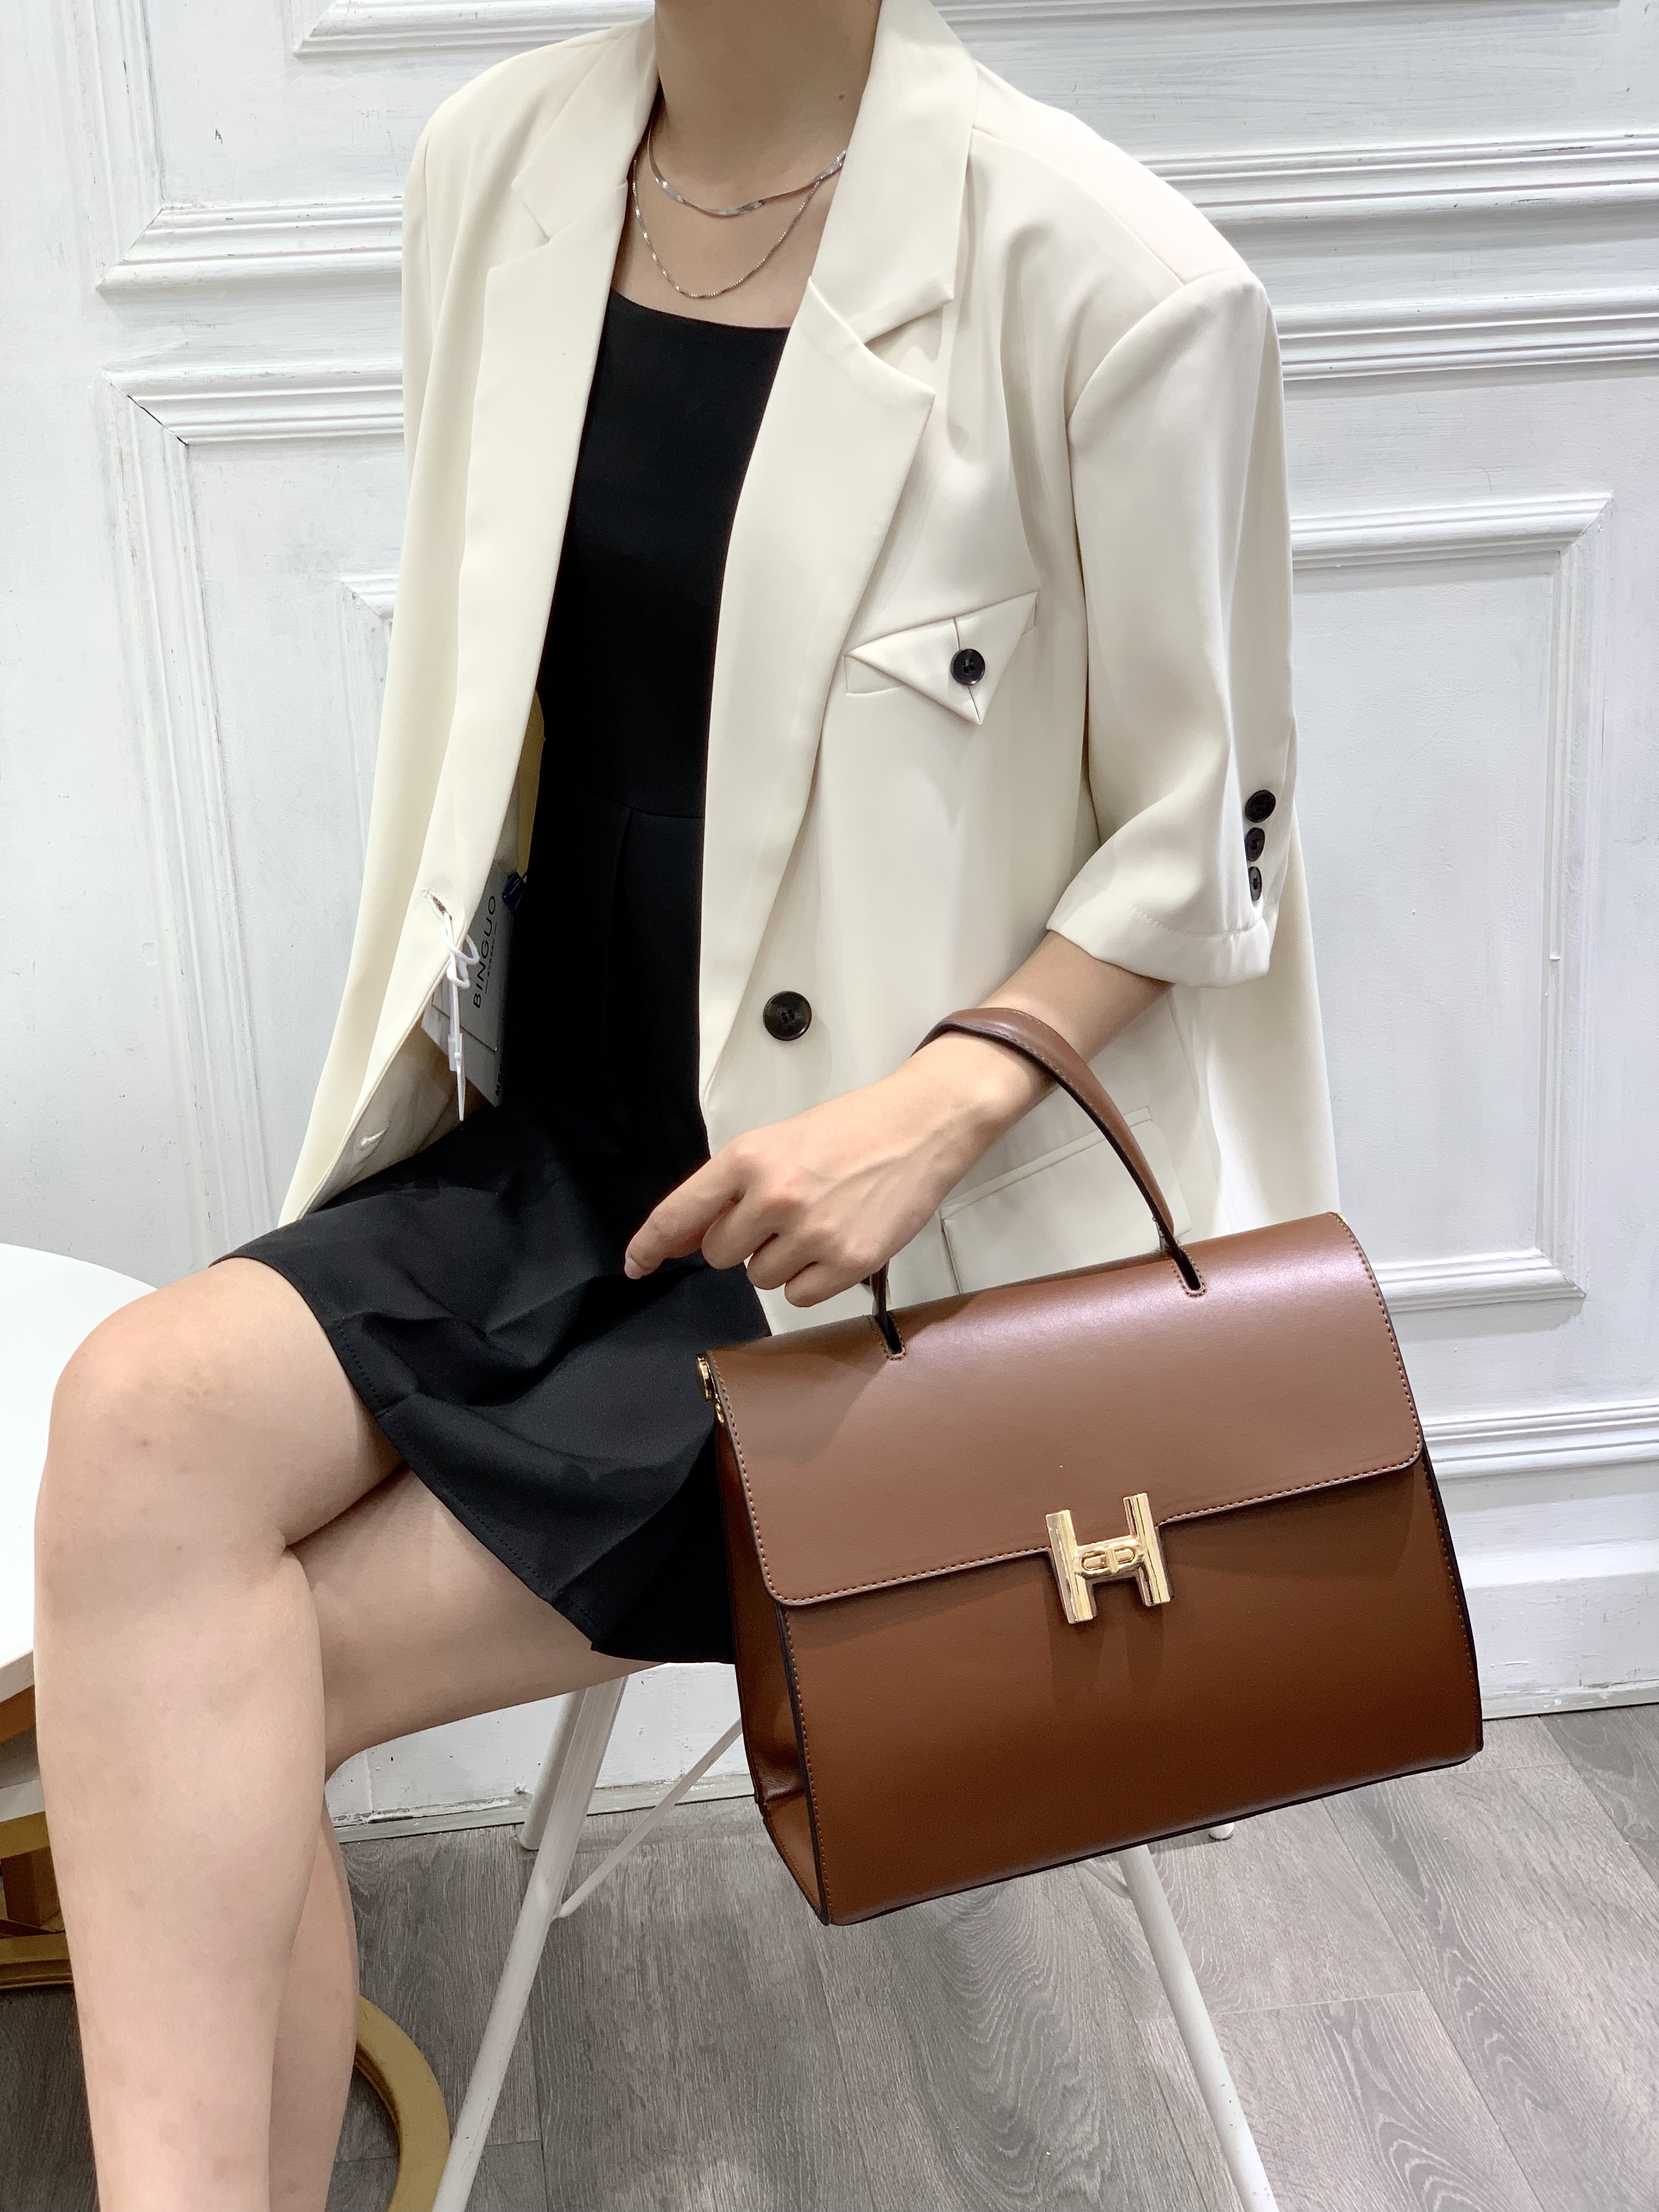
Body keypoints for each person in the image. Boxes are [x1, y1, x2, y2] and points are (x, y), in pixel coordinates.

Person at [32, 0, 1339, 2203]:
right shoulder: (498, 166)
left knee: (212, 1683)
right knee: (137, 1419)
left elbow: (1208, 838)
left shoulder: (1116, 280)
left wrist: (934, 1105)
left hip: (893, 1274)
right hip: (559, 1159)